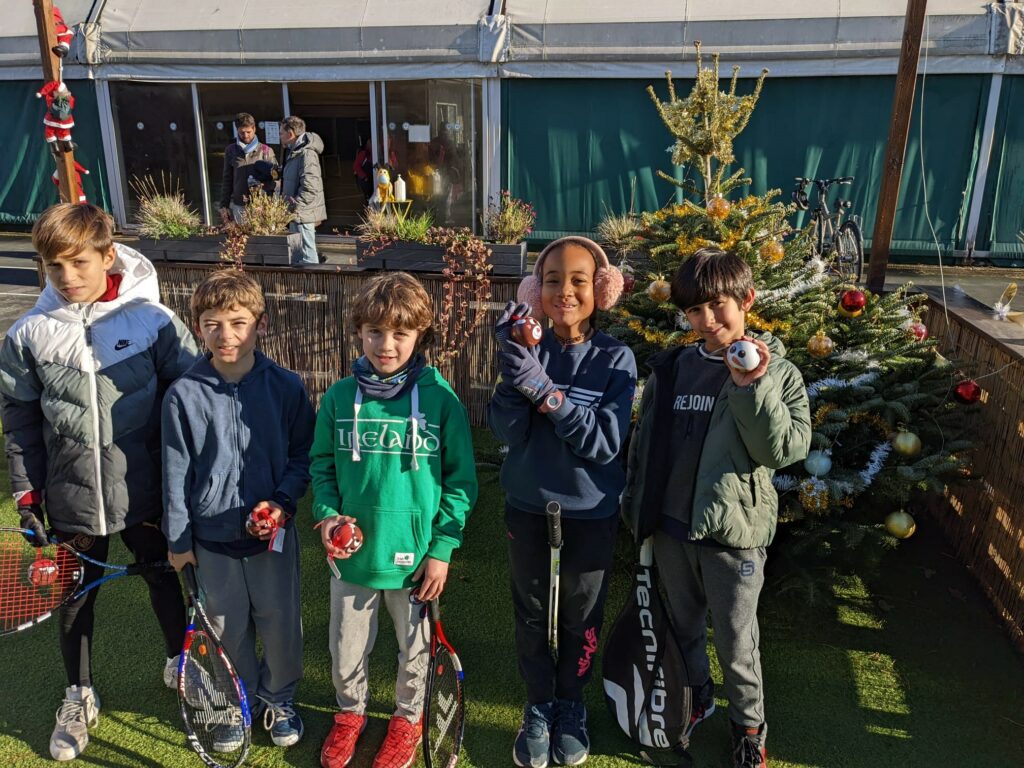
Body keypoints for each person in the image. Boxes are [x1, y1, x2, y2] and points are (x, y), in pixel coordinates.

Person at [0, 203, 199, 762]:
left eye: (79, 262)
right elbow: (19, 421)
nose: (66, 278)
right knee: (74, 598)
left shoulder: (154, 320)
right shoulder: (29, 333)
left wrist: (188, 480)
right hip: (71, 498)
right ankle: (77, 694)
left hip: (146, 493)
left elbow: (190, 400)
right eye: (53, 265)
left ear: (109, 256)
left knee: (164, 579)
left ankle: (179, 664)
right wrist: (27, 493)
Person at [622, 248, 812, 768]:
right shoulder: (676, 366)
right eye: (693, 311)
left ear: (747, 299)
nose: (707, 321)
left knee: (736, 641)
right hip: (671, 530)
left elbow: (783, 451)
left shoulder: (780, 373)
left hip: (734, 536)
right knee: (682, 626)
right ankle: (694, 699)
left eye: (718, 305)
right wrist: (636, 506)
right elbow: (645, 443)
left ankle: (748, 726)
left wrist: (752, 389)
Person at [310, 272, 477, 768]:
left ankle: (407, 719)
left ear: (419, 336)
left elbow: (460, 483)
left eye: (400, 334)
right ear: (358, 332)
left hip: (415, 561)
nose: (386, 344)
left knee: (415, 655)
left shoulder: (442, 401)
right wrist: (325, 518)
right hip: (352, 559)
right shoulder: (340, 398)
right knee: (345, 652)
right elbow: (321, 467)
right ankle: (349, 715)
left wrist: (441, 550)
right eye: (375, 332)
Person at [488, 237, 636, 768]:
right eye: (552, 279)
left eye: (579, 279)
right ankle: (539, 704)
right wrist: (512, 371)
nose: (564, 291)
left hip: (590, 512)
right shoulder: (528, 348)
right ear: (535, 289)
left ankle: (571, 705)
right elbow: (505, 429)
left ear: (602, 288)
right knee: (530, 613)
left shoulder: (616, 358)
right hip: (527, 506)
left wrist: (545, 390)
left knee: (580, 615)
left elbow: (602, 443)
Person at [161, 269, 315, 751]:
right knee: (226, 627)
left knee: (280, 619)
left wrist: (283, 501)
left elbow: (303, 455)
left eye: (238, 322)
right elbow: (174, 474)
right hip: (211, 540)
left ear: (260, 325)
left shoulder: (287, 387)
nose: (226, 335)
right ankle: (236, 702)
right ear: (198, 327)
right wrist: (179, 542)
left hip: (272, 537)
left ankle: (278, 699)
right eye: (212, 323)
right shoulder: (183, 394)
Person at [279, 115, 326, 266]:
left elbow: (310, 187)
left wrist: (296, 206)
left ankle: (313, 288)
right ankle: (305, 288)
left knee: (307, 257)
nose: (279, 136)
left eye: (281, 133)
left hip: (302, 213)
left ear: (290, 133)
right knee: (300, 255)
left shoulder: (306, 154)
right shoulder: (296, 152)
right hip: (298, 213)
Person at [219, 112, 278, 224]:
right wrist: (224, 205)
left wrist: (267, 201)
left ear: (254, 129)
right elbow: (227, 179)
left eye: (248, 132)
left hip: (261, 206)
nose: (245, 136)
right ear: (237, 130)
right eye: (242, 132)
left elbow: (276, 179)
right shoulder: (231, 151)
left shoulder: (266, 151)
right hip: (239, 206)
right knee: (242, 240)